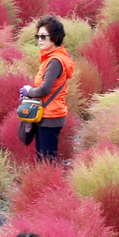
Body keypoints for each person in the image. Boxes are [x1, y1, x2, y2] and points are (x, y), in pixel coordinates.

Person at [17, 16, 75, 165]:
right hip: (48, 113)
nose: (39, 40)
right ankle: (50, 182)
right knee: (44, 157)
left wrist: (29, 92)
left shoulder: (55, 61)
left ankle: (53, 184)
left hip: (50, 116)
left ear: (54, 37)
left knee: (47, 160)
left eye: (43, 36)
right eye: (38, 36)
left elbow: (45, 89)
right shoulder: (52, 58)